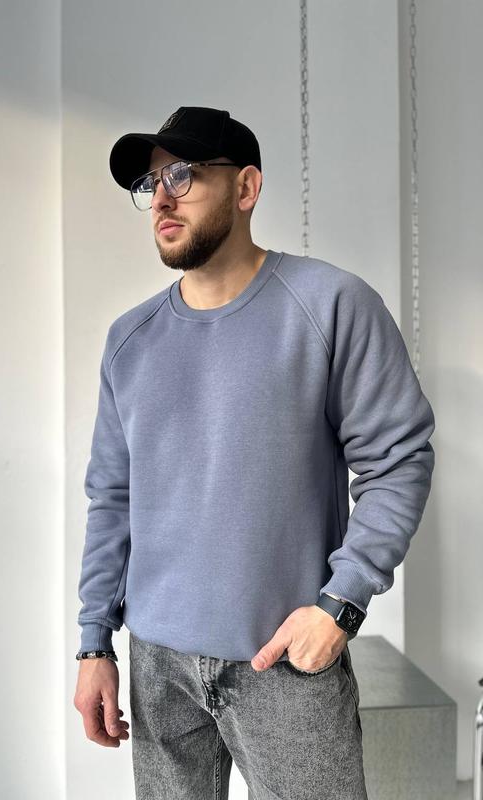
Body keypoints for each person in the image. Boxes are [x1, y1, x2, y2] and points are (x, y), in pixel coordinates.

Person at [72, 106, 436, 799]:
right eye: (151, 184)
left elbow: (398, 460)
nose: (163, 199)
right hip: (159, 670)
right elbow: (112, 499)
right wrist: (95, 642)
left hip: (286, 664)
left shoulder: (330, 306)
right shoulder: (130, 340)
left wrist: (341, 605)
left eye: (183, 174)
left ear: (246, 188)